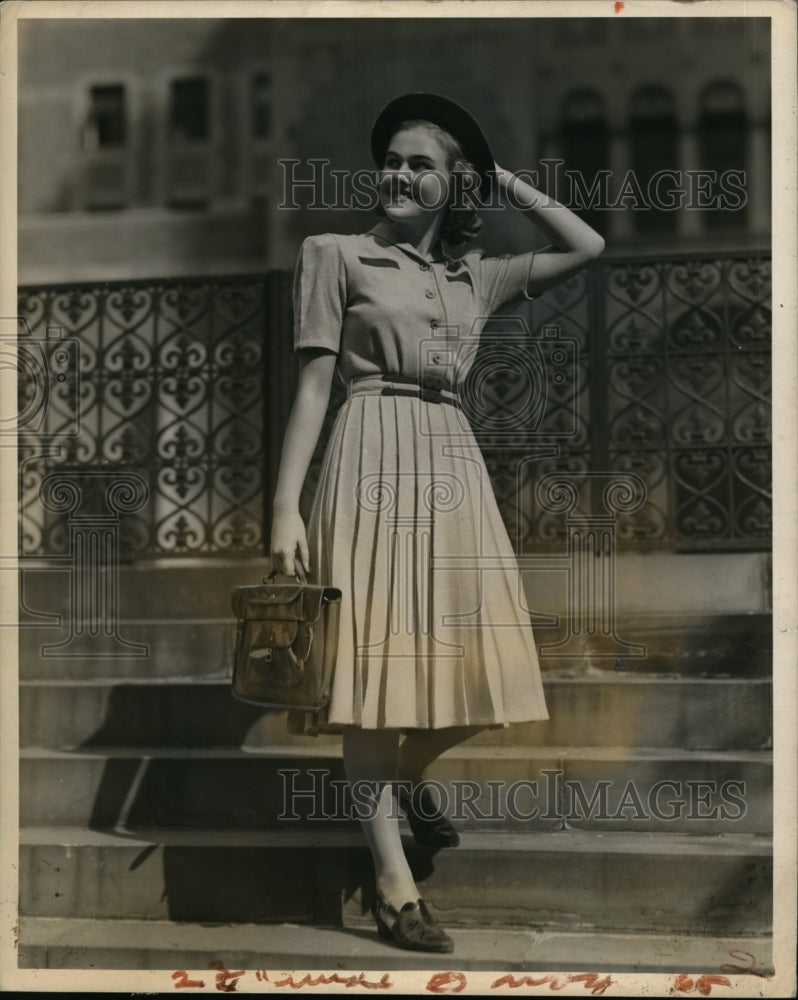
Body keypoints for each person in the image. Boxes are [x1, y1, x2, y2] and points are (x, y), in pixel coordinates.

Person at [269, 93, 605, 954]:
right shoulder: (334, 254)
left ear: (453, 183)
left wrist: (499, 178)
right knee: (372, 688)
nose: (399, 173)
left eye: (421, 162)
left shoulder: (476, 277)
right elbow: (312, 386)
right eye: (392, 159)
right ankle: (391, 883)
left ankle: (406, 783)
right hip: (368, 446)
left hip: (451, 458)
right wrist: (282, 507)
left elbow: (588, 244)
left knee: (483, 666)